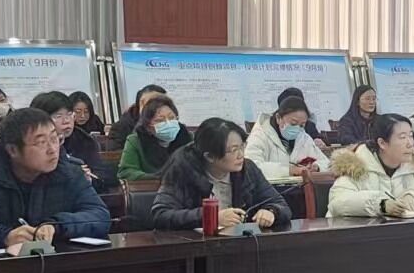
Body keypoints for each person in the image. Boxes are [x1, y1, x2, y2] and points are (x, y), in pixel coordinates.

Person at [0, 107, 109, 251]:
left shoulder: (69, 169)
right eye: (41, 142)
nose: (52, 149)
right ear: (13, 150)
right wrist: (4, 236)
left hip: (57, 264)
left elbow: (99, 215)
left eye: (55, 139)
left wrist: (56, 226)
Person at [151, 116, 289, 232]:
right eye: (233, 150)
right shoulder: (182, 171)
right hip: (195, 247)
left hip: (239, 244)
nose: (241, 154)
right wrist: (211, 217)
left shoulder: (248, 169)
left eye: (242, 146)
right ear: (210, 156)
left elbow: (280, 204)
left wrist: (272, 212)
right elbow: (161, 215)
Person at [327, 113, 414, 218]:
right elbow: (337, 202)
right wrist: (381, 204)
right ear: (382, 143)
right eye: (402, 137)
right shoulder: (356, 167)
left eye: (411, 136)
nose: (410, 143)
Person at [30, 91, 113, 190]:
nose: (66, 121)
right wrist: (71, 173)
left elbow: (101, 177)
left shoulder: (85, 140)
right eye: (58, 116)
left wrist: (88, 179)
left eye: (69, 115)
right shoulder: (31, 144)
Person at [245, 95, 326, 184]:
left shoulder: (303, 137)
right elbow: (251, 167)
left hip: (299, 188)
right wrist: (288, 170)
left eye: (302, 125)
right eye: (293, 123)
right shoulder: (260, 135)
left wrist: (316, 167)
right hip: (268, 189)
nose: (297, 128)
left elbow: (327, 163)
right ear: (278, 118)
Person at [116, 95, 191, 182]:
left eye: (171, 118)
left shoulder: (188, 138)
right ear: (148, 126)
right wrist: (155, 177)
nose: (168, 123)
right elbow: (126, 172)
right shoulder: (136, 140)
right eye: (160, 120)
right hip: (151, 187)